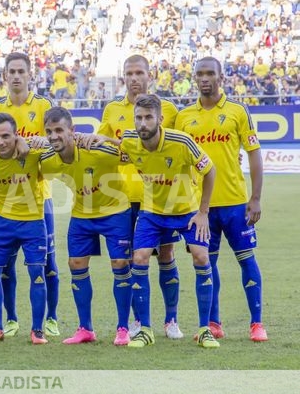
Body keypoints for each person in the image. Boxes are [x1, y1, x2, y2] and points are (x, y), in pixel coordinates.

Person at [175, 57, 267, 342]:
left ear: (221, 77)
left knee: (247, 260)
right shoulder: (183, 117)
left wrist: (255, 198)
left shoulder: (238, 111)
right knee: (206, 264)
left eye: (209, 74)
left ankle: (256, 323)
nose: (204, 79)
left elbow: (253, 154)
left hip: (236, 203)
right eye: (199, 74)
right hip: (201, 208)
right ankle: (214, 323)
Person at [117, 94, 219, 348]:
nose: (143, 123)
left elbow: (210, 170)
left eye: (148, 117)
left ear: (160, 119)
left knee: (201, 256)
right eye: (138, 118)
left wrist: (203, 211)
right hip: (152, 212)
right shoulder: (130, 141)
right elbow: (114, 148)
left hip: (186, 210)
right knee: (138, 258)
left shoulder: (182, 141)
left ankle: (205, 329)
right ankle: (145, 330)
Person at [97, 55, 183, 339]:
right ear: (123, 77)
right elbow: (103, 149)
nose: (134, 78)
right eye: (129, 73)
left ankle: (171, 320)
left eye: (139, 73)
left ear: (150, 75)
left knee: (167, 255)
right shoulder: (112, 110)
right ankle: (136, 320)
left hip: (161, 198)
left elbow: (180, 149)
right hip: (122, 198)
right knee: (133, 259)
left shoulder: (168, 109)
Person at [39, 107, 133, 346]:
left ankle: (123, 328)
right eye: (49, 131)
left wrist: (108, 139)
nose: (53, 136)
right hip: (82, 214)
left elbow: (133, 154)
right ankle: (85, 329)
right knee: (76, 264)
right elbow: (31, 165)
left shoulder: (98, 150)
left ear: (72, 131)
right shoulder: (50, 161)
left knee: (120, 264)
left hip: (115, 211)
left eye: (59, 130)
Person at [0, 52, 60, 338]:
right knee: (5, 265)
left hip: (40, 198)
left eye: (21, 71)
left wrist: (38, 143)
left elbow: (56, 138)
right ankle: (12, 319)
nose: (16, 76)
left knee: (47, 263)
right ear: (5, 76)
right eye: (11, 71)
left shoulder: (43, 106)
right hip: (6, 199)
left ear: (31, 75)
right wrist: (18, 141)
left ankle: (50, 318)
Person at [0, 112, 49, 345]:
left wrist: (39, 140)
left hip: (33, 222)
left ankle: (37, 330)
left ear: (16, 135)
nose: (1, 142)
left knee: (37, 274)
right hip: (0, 221)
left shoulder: (33, 152)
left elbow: (61, 142)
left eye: (6, 136)